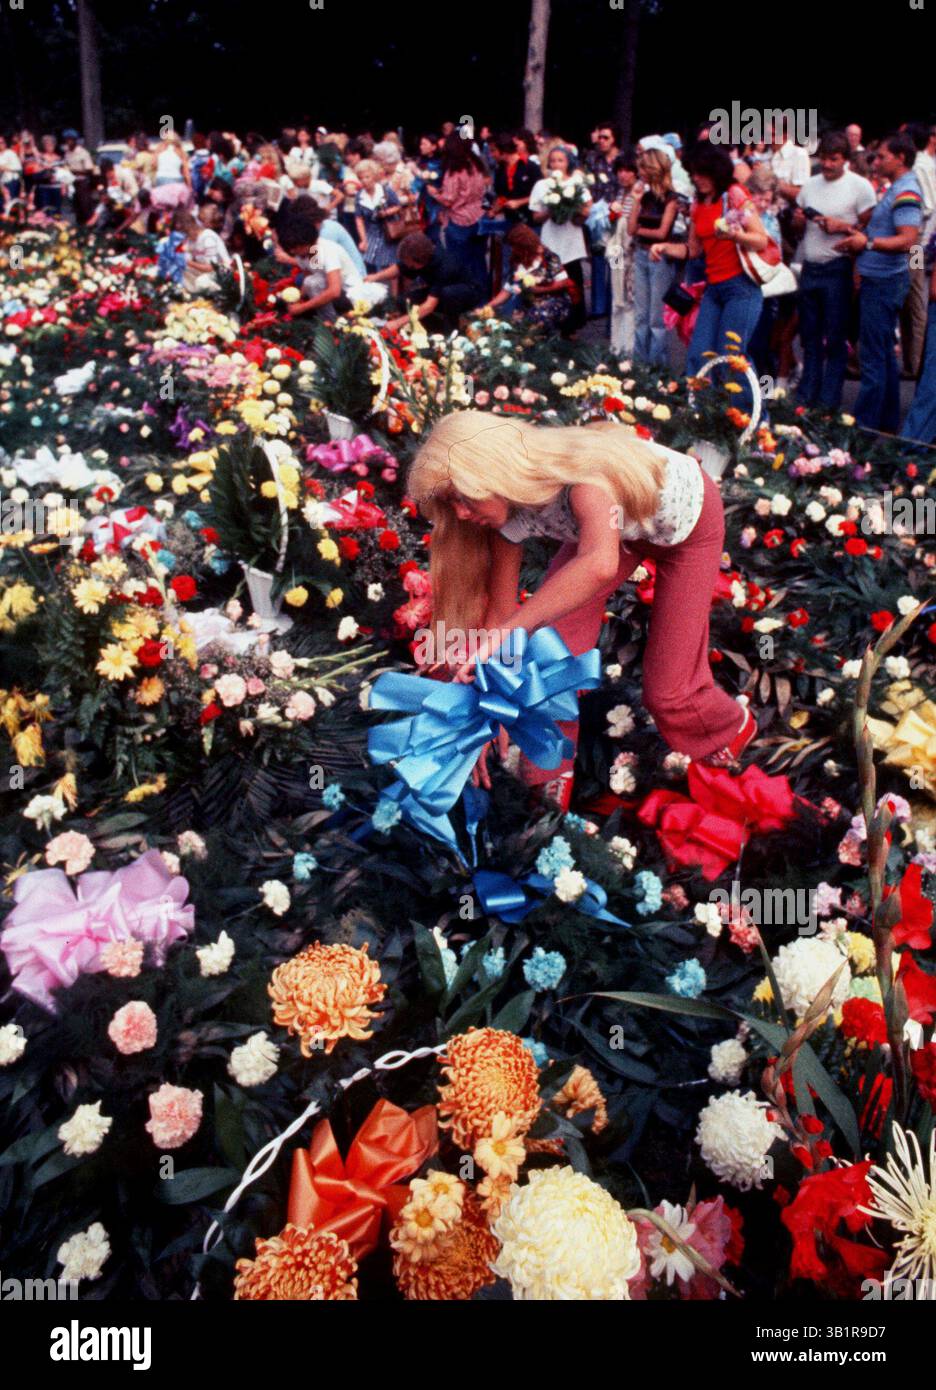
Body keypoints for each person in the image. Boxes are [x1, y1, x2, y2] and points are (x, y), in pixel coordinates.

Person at [407, 411, 757, 811]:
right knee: (551, 659)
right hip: (613, 533)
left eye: (462, 498)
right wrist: (483, 702)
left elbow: (599, 564)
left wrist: (506, 635)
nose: (463, 514)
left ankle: (730, 732)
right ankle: (550, 774)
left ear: (492, 471)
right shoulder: (506, 518)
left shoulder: (584, 480)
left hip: (684, 526)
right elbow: (502, 617)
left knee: (669, 690)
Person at [652, 143, 770, 388]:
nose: (697, 178)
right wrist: (664, 247)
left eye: (702, 173)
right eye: (693, 173)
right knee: (698, 355)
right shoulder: (698, 203)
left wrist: (735, 236)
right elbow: (693, 250)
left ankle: (752, 418)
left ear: (717, 171)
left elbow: (760, 239)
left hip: (741, 288)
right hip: (714, 289)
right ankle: (701, 414)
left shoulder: (735, 195)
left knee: (732, 359)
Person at [834, 132, 923, 432]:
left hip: (884, 281)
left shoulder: (906, 190)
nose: (877, 160)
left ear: (900, 158)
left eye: (883, 156)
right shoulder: (898, 188)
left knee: (873, 356)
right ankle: (884, 421)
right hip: (884, 279)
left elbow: (910, 239)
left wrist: (867, 243)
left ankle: (864, 426)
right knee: (883, 353)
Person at [791, 131, 876, 410]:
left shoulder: (861, 187)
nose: (827, 165)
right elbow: (797, 232)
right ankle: (807, 397)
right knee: (810, 336)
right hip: (810, 266)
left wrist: (842, 227)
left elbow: (870, 230)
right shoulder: (809, 186)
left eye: (834, 160)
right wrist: (799, 221)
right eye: (824, 159)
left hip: (839, 268)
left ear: (846, 160)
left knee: (835, 339)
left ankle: (828, 403)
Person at [276, 197, 388, 319]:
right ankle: (327, 320)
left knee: (316, 284)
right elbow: (311, 276)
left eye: (296, 248)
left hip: (350, 294)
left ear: (306, 242)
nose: (293, 252)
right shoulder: (312, 250)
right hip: (336, 293)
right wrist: (296, 298)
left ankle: (335, 322)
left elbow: (335, 291)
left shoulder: (327, 249)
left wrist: (303, 307)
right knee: (312, 281)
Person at [529, 144, 591, 333]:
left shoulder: (576, 184)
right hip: (551, 241)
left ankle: (572, 327)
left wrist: (573, 210)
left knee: (573, 283)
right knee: (551, 282)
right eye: (553, 160)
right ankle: (549, 323)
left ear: (568, 163)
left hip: (571, 241)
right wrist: (550, 209)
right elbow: (535, 216)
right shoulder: (542, 185)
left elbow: (586, 210)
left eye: (560, 160)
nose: (556, 164)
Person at [370, 231, 484, 333]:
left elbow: (429, 305)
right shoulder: (423, 257)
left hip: (468, 292)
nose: (408, 266)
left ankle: (452, 330)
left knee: (448, 294)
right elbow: (400, 268)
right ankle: (434, 328)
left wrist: (398, 323)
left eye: (410, 264)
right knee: (405, 301)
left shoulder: (444, 267)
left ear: (419, 262)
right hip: (442, 290)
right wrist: (375, 277)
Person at [629, 147, 679, 366]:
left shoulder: (672, 198)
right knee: (640, 315)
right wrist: (636, 201)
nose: (640, 173)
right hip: (641, 253)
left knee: (656, 318)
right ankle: (640, 364)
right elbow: (631, 227)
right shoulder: (645, 196)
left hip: (660, 257)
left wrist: (639, 230)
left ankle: (658, 367)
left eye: (643, 168)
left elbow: (662, 233)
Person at [485, 224, 574, 334]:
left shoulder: (549, 257)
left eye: (515, 246)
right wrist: (489, 306)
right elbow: (508, 289)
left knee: (537, 317)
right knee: (511, 321)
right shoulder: (517, 260)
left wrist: (539, 290)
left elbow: (563, 282)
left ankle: (543, 343)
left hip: (555, 300)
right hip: (530, 302)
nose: (512, 250)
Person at [426, 133, 488, 287]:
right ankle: (483, 302)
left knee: (459, 265)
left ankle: (464, 301)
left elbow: (448, 199)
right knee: (479, 263)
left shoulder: (454, 170)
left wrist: (434, 193)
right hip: (479, 216)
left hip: (460, 220)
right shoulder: (476, 164)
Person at [902, 231, 936, 443]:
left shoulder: (915, 197)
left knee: (914, 306)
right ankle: (912, 363)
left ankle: (913, 361)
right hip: (916, 250)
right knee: (909, 310)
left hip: (917, 250)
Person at [584, 122, 619, 318]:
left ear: (614, 139)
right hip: (597, 214)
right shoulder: (593, 159)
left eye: (606, 137)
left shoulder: (622, 160)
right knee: (597, 259)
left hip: (617, 213)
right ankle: (598, 306)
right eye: (600, 138)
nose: (602, 141)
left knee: (615, 258)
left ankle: (615, 302)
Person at [607, 151, 639, 355]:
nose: (623, 175)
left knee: (630, 299)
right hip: (616, 248)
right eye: (620, 170)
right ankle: (616, 347)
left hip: (631, 250)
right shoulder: (619, 193)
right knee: (616, 297)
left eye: (628, 170)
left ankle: (629, 349)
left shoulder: (638, 192)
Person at [353, 157, 400, 273]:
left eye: (367, 177)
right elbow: (359, 219)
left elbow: (398, 206)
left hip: (388, 232)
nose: (364, 181)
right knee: (371, 264)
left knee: (391, 263)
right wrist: (363, 240)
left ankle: (394, 292)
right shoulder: (359, 196)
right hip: (371, 234)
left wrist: (386, 212)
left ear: (374, 176)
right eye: (361, 178)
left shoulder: (385, 190)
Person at [491, 133, 537, 225]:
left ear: (504, 151)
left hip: (530, 223)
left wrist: (519, 202)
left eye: (493, 151)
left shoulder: (531, 167)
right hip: (509, 223)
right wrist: (494, 209)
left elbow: (541, 194)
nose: (491, 155)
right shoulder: (499, 170)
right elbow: (502, 195)